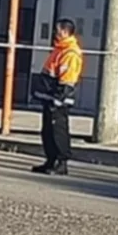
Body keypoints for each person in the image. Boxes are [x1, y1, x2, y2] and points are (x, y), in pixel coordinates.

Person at [31, 18, 83, 176]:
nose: (55, 33)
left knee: (58, 131)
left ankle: (62, 163)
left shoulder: (70, 53)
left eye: (58, 30)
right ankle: (50, 160)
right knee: (47, 131)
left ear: (66, 32)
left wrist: (58, 99)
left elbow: (67, 79)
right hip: (50, 97)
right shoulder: (59, 49)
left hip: (59, 100)